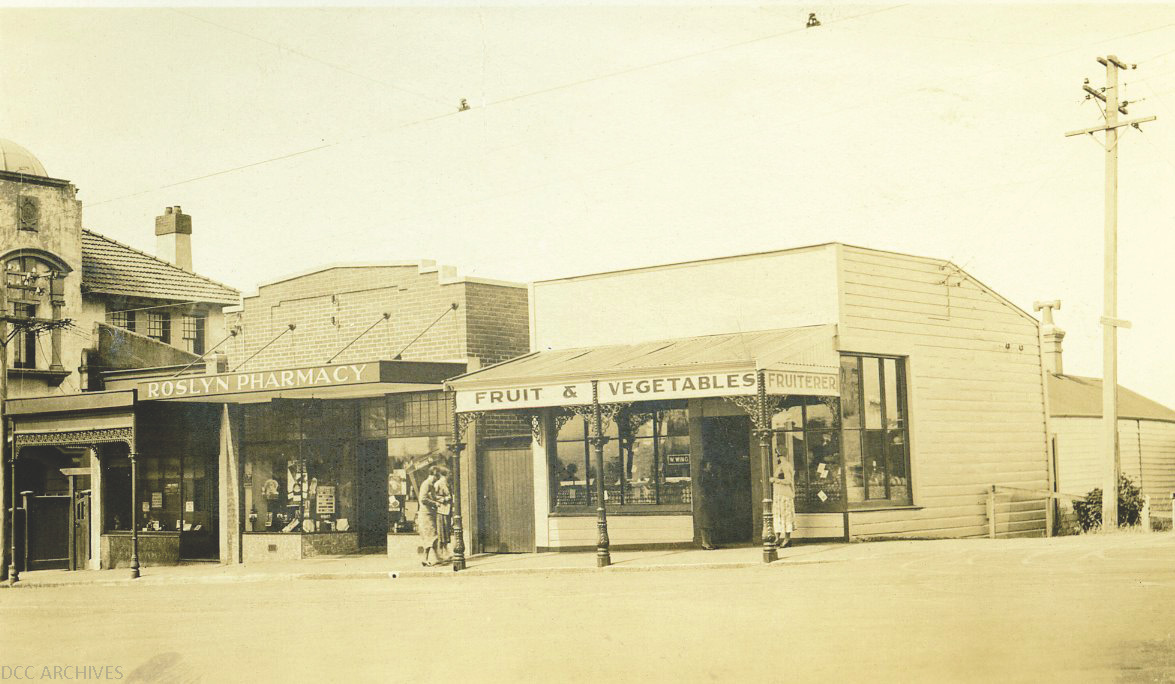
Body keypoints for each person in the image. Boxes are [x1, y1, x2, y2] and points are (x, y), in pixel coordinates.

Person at [415, 465, 446, 566]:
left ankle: (429, 559)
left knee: (431, 538)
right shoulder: (426, 484)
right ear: (433, 475)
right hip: (426, 515)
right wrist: (434, 503)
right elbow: (423, 499)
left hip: (430, 514)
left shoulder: (431, 485)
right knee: (433, 537)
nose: (437, 478)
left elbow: (432, 497)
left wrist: (439, 500)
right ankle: (436, 558)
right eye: (437, 476)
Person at [771, 442, 797, 548]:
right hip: (778, 495)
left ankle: (787, 539)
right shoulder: (780, 466)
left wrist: (775, 480)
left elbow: (788, 480)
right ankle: (777, 538)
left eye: (777, 454)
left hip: (784, 495)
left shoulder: (785, 466)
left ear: (779, 455)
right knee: (778, 516)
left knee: (785, 516)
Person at [698, 460, 718, 550]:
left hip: (709, 500)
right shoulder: (703, 476)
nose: (711, 466)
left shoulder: (709, 475)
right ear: (704, 466)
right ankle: (705, 542)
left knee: (709, 522)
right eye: (709, 464)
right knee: (705, 522)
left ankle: (709, 542)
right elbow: (704, 488)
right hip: (705, 500)